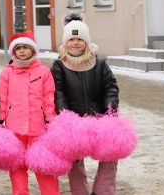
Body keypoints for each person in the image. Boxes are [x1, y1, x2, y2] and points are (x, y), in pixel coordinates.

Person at [51, 14, 120, 195]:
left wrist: (110, 111)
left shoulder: (99, 64)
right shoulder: (59, 65)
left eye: (79, 39)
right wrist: (66, 117)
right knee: (74, 162)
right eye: (71, 39)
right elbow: (58, 92)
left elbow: (110, 87)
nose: (75, 43)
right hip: (73, 122)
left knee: (111, 156)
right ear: (66, 42)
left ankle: (102, 191)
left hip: (99, 119)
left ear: (86, 41)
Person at [0, 31, 60, 195]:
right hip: (15, 126)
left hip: (38, 126)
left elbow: (49, 97)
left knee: (43, 164)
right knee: (17, 165)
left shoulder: (43, 72)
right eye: (18, 48)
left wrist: (50, 119)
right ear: (13, 51)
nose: (22, 51)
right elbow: (2, 97)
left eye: (26, 47)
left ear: (33, 50)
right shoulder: (7, 72)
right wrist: (0, 119)